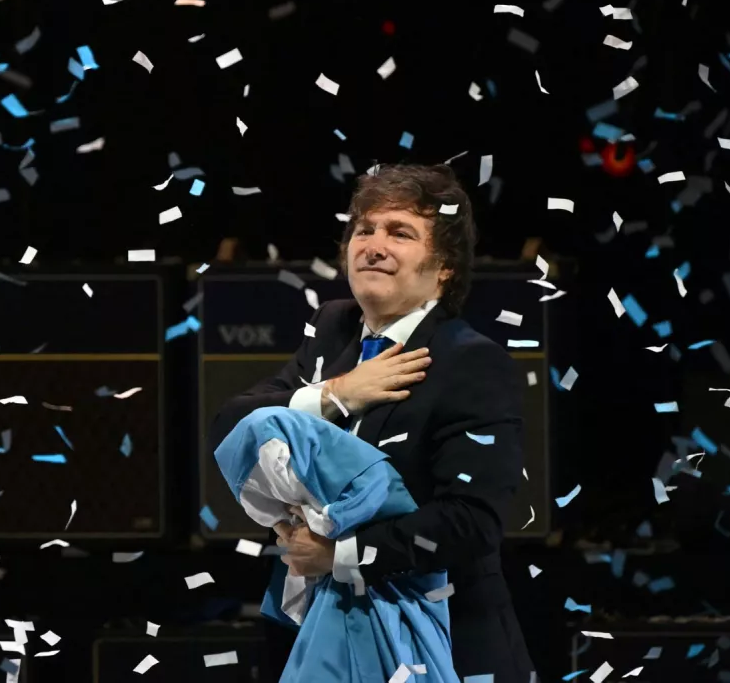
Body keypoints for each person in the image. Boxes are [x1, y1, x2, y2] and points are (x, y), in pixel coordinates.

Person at [210, 163, 535, 682]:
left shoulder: (472, 361)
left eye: (400, 233)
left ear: (445, 264)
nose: (374, 245)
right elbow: (232, 424)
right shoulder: (331, 328)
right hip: (316, 636)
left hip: (443, 644)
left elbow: (471, 523)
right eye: (364, 230)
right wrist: (337, 393)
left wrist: (338, 555)